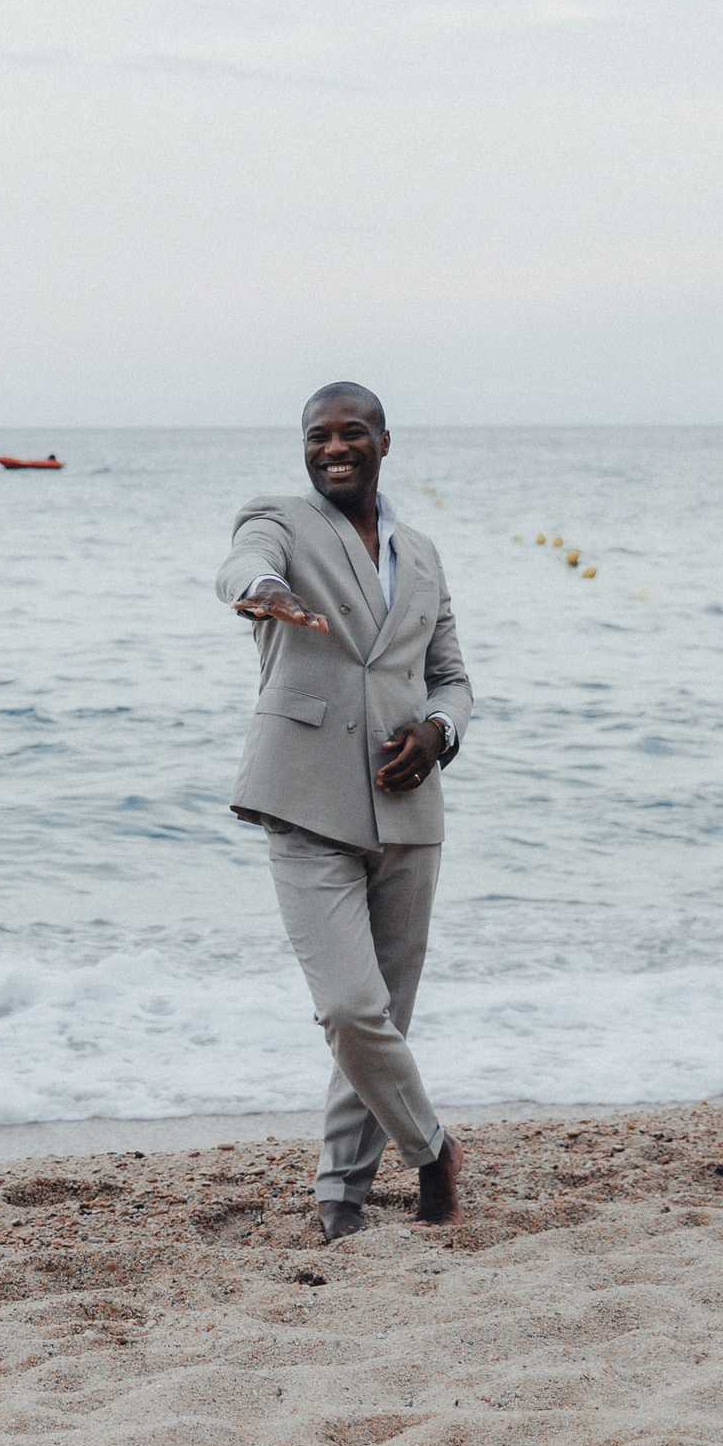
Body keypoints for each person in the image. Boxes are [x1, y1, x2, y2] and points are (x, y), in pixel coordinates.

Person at [216, 382, 474, 1240]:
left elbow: (451, 676)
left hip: (409, 812)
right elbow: (243, 559)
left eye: (352, 432)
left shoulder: (425, 555)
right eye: (318, 435)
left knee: (386, 1017)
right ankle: (432, 1150)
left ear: (384, 442)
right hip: (303, 801)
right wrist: (261, 590)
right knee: (351, 1010)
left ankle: (340, 1196)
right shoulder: (282, 522)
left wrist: (439, 731)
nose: (334, 447)